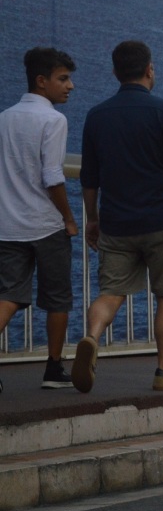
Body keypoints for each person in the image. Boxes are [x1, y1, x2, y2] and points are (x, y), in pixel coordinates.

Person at [72, 41, 163, 393]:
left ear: (116, 73)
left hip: (116, 224)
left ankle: (91, 338)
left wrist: (93, 219)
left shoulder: (97, 115)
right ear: (149, 70)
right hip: (160, 221)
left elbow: (90, 177)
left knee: (111, 293)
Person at [0, 48, 81, 393]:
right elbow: (52, 176)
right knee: (57, 298)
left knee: (9, 295)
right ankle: (53, 368)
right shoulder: (54, 120)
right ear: (41, 80)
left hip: (7, 222)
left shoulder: (4, 117)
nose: (71, 86)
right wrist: (69, 217)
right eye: (63, 79)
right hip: (46, 224)